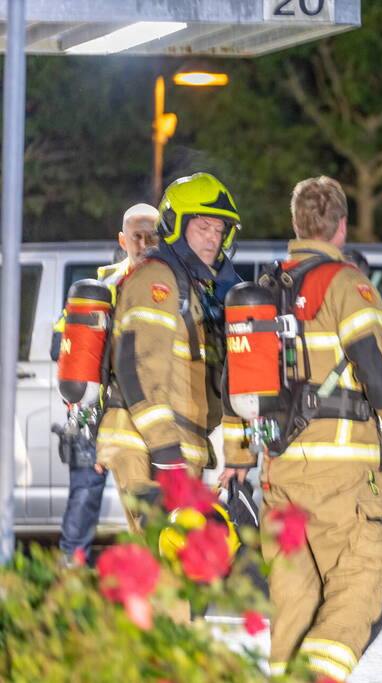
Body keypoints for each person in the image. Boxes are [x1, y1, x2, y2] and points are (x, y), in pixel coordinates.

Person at [219, 176, 382, 681]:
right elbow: (378, 368)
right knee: (361, 589)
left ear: (296, 223)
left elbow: (234, 383)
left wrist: (239, 460)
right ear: (341, 225)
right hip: (342, 476)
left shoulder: (264, 290)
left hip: (279, 475)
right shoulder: (347, 285)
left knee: (294, 604)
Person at [95, 173, 244, 531]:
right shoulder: (158, 280)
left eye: (219, 230)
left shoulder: (200, 290)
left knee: (178, 572)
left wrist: (239, 454)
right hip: (148, 446)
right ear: (176, 225)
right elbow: (138, 370)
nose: (213, 238)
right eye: (203, 226)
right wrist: (166, 456)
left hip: (180, 445)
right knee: (166, 561)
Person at [51, 203, 159, 563]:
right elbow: (59, 343)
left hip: (140, 415)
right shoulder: (101, 287)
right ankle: (72, 573)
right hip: (93, 410)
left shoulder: (168, 286)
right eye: (136, 236)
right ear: (122, 239)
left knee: (147, 509)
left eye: (151, 235)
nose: (144, 244)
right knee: (85, 495)